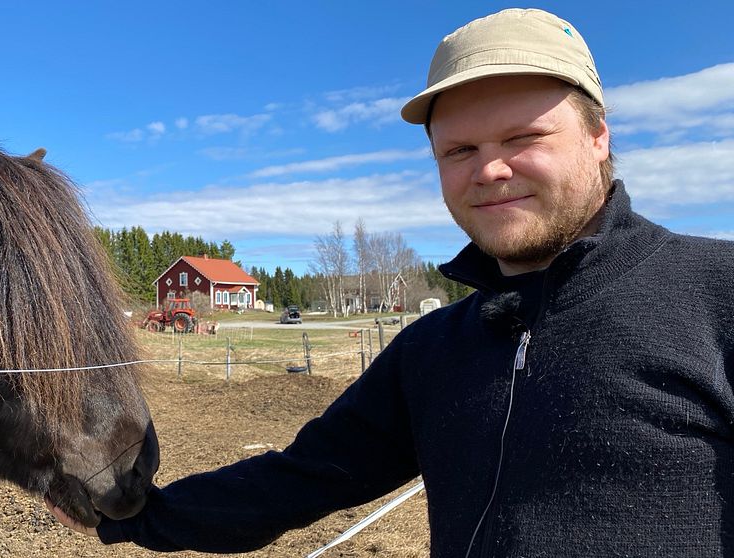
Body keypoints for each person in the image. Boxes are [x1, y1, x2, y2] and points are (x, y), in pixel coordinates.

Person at [51, 8, 734, 556]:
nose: (489, 170)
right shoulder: (434, 349)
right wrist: (129, 518)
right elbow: (298, 481)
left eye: (523, 138)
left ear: (598, 138)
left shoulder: (716, 295)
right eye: (460, 150)